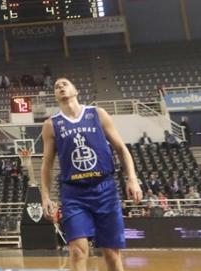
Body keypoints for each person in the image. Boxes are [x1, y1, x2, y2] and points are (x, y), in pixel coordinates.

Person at [40, 78, 142, 271]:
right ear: (55, 95)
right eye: (56, 86)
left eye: (65, 83)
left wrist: (132, 179)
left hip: (105, 189)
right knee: (78, 251)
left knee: (112, 254)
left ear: (76, 90)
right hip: (73, 193)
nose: (60, 86)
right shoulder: (51, 125)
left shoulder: (97, 114)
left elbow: (121, 149)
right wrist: (45, 196)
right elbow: (47, 165)